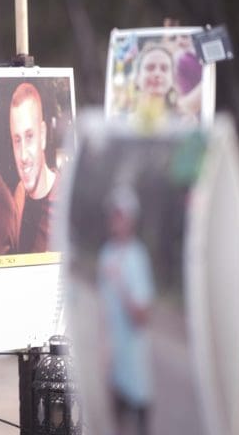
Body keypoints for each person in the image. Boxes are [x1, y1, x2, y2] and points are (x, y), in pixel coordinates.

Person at [97, 185, 155, 435]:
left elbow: (142, 317)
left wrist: (121, 283)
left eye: (120, 214)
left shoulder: (137, 257)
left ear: (130, 219)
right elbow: (103, 314)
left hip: (136, 370)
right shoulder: (106, 254)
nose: (115, 219)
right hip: (114, 367)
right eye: (113, 213)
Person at [0, 82, 59, 255]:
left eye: (30, 137)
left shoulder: (65, 199)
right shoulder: (19, 198)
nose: (23, 156)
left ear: (43, 136)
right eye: (17, 140)